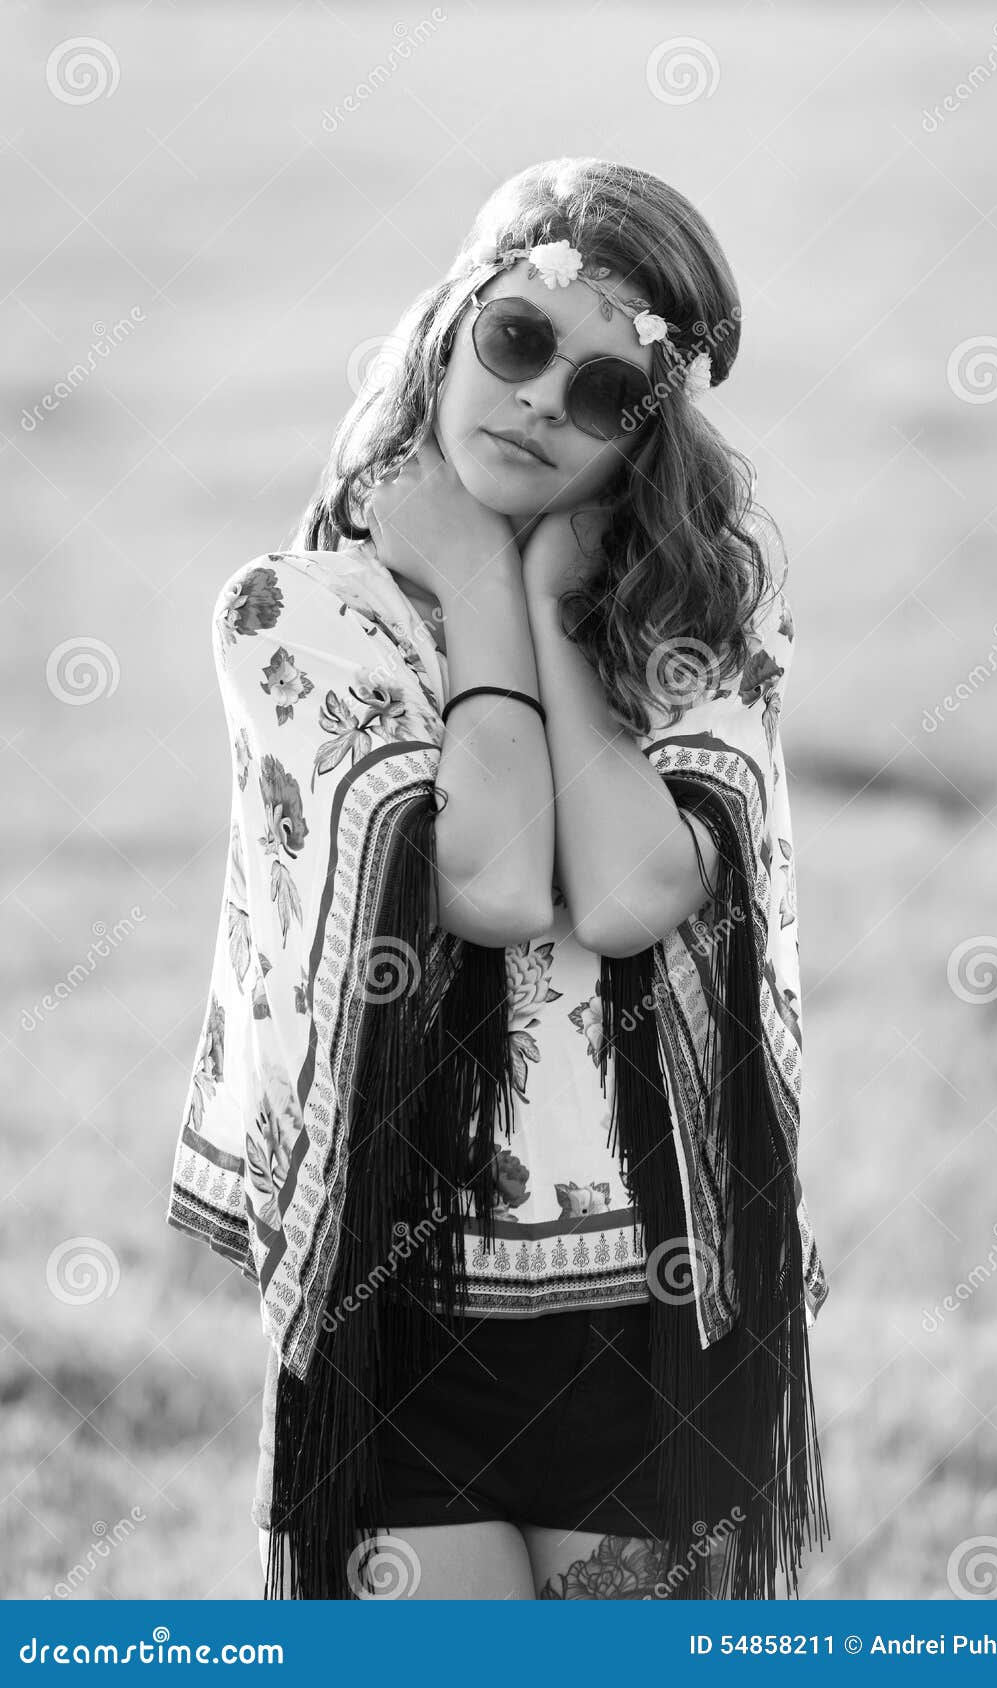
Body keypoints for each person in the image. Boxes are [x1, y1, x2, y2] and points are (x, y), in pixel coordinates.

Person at [164, 156, 830, 1602]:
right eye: (521, 342)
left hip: (655, 1309)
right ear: (454, 324)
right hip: (397, 1317)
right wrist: (474, 591)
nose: (540, 400)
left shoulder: (705, 606)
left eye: (604, 393)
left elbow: (636, 889)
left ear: (641, 440)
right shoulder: (297, 613)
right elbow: (491, 876)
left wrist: (537, 604)